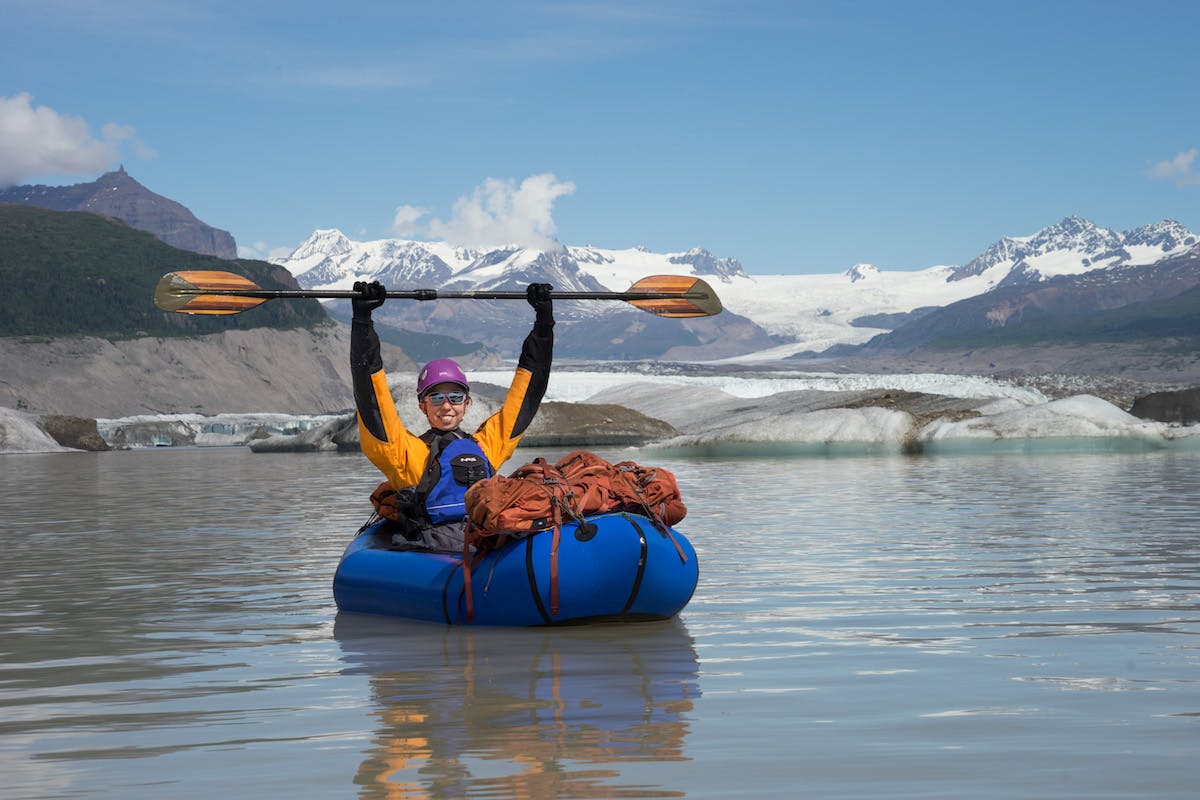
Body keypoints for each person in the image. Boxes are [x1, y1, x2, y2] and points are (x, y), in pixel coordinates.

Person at [350, 279, 554, 549]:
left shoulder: (486, 446)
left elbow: (527, 392)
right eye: (436, 397)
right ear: (422, 405)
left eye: (456, 397)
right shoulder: (405, 454)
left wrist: (543, 323)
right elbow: (372, 398)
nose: (446, 406)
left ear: (467, 403)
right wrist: (363, 321)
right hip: (435, 552)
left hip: (482, 543)